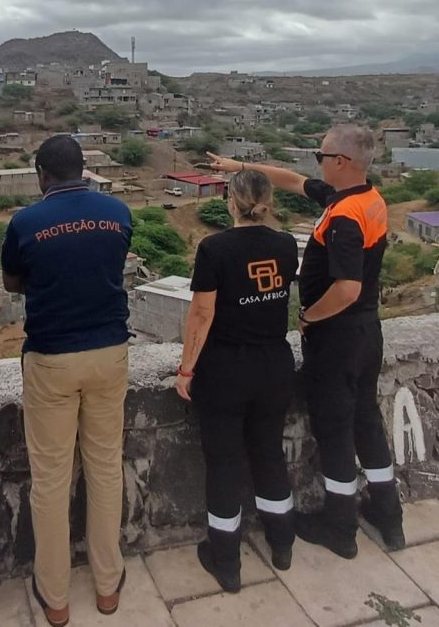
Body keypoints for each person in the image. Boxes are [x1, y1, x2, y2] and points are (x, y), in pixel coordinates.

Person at [206, 124, 404, 559]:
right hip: (368, 332)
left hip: (339, 335)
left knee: (334, 429)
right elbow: (291, 180)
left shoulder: (345, 218)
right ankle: (389, 516)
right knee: (367, 420)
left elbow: (347, 288)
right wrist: (240, 166)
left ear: (342, 162)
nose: (316, 162)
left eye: (322, 155)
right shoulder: (364, 200)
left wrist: (308, 316)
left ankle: (341, 527)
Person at [1, 135, 132, 627]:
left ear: (41, 175)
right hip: (109, 353)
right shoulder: (118, 213)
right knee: (105, 469)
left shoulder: (26, 222)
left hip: (53, 357)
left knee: (51, 480)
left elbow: (13, 281)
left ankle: (55, 599)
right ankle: (107, 588)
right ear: (84, 168)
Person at [175, 170, 299, 592]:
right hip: (274, 364)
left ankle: (226, 561)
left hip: (227, 369)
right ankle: (282, 544)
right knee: (269, 453)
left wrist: (186, 369)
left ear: (231, 201)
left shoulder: (215, 248)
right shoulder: (285, 245)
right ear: (268, 201)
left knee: (225, 463)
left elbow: (202, 314)